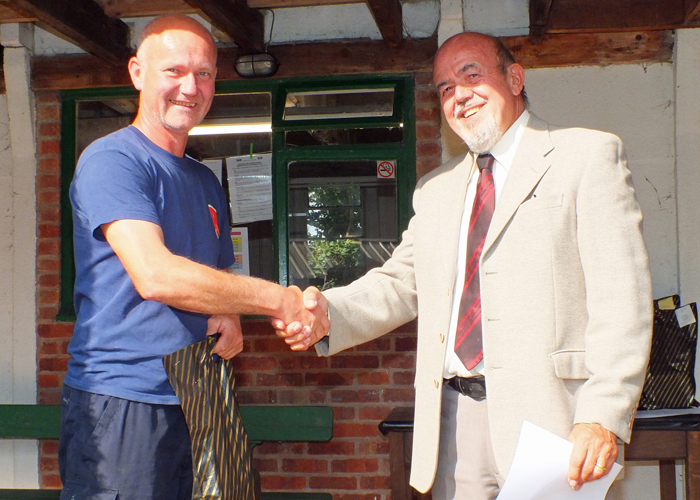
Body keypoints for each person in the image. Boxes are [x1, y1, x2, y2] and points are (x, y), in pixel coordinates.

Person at [275, 31, 653, 500]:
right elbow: (400, 283)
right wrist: (328, 312)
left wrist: (601, 416)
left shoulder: (585, 157)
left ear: (514, 78)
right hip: (454, 425)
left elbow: (623, 302)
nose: (459, 95)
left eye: (471, 75)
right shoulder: (436, 190)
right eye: (445, 88)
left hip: (555, 421)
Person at [61, 15, 321, 500]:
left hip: (203, 393)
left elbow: (212, 274)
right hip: (125, 397)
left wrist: (225, 311)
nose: (190, 87)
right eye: (174, 71)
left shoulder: (202, 179)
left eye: (203, 73)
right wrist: (276, 299)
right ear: (138, 72)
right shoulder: (112, 160)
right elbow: (156, 275)